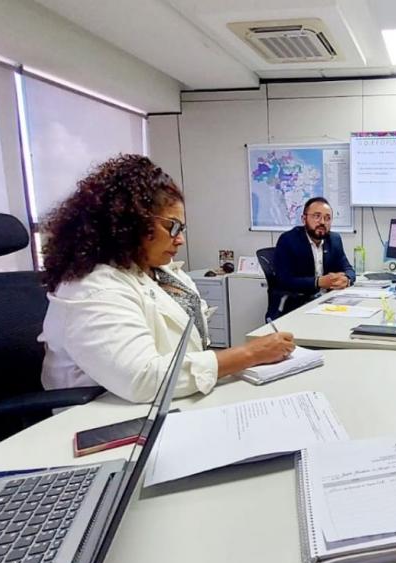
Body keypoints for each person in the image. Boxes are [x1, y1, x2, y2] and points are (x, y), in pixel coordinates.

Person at [39, 154, 295, 403]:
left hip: (169, 401)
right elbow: (143, 379)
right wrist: (249, 354)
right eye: (172, 226)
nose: (180, 239)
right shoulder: (93, 289)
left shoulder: (157, 269)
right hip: (106, 418)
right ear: (130, 222)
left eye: (181, 229)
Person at [270, 197, 355, 319]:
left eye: (327, 218)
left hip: (326, 304)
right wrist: (318, 282)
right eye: (317, 216)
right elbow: (284, 280)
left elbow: (348, 269)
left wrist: (346, 279)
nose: (322, 222)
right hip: (296, 305)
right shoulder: (288, 240)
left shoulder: (334, 240)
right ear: (304, 219)